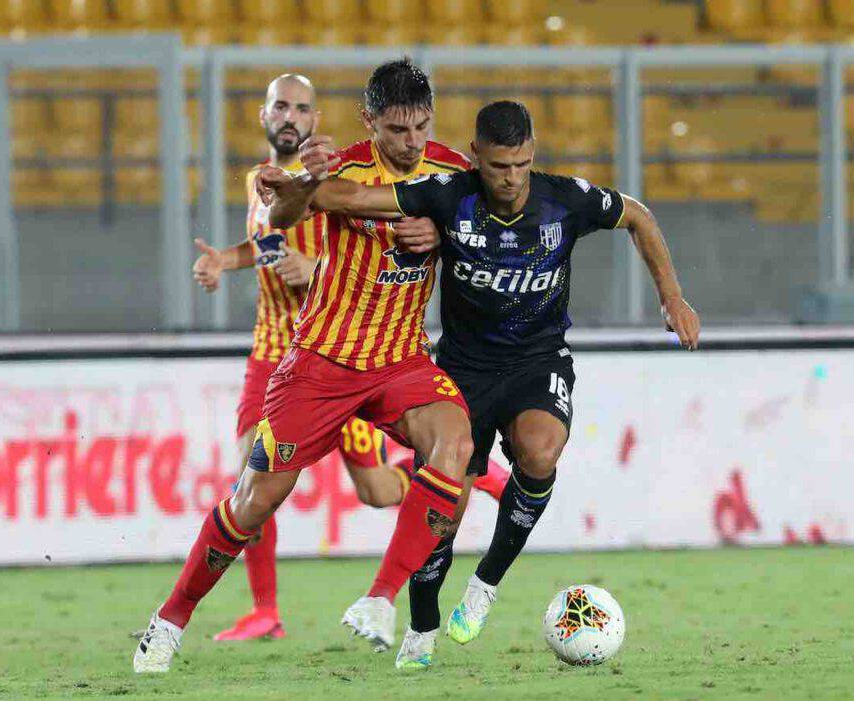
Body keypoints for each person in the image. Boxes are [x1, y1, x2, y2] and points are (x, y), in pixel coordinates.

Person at [259, 99, 701, 669]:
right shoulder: (448, 194)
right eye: (497, 167)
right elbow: (350, 197)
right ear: (476, 158)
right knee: (443, 510)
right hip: (460, 370)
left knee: (540, 452)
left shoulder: (563, 199)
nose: (511, 179)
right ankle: (421, 626)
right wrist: (295, 182)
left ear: (532, 157)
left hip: (537, 361)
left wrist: (672, 297)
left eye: (520, 165)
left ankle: (486, 583)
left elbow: (638, 215)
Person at [133, 59, 496, 674]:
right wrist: (306, 182)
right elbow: (281, 219)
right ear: (368, 120)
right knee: (254, 500)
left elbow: (486, 229)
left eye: (420, 127)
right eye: (396, 129)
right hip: (320, 364)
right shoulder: (340, 165)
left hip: (401, 359)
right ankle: (168, 621)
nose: (411, 143)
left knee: (453, 442)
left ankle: (380, 599)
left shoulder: (452, 172)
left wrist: (444, 235)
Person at [189, 73, 419, 643]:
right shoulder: (258, 180)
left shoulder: (332, 179)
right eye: (281, 106)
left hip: (336, 354)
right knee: (252, 470)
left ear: (316, 120)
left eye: (302, 108)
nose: (291, 116)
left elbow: (378, 254)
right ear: (264, 115)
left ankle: (455, 470)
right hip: (272, 351)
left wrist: (314, 270)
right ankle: (265, 611)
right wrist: (225, 259)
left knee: (378, 491)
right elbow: (272, 245)